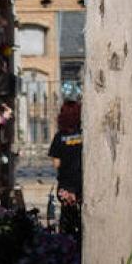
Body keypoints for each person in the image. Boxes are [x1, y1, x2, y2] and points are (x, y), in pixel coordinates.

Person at [47, 99, 83, 235]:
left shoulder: (59, 137)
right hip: (81, 182)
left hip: (66, 184)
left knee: (67, 218)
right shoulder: (83, 135)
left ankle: (67, 242)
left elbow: (56, 163)